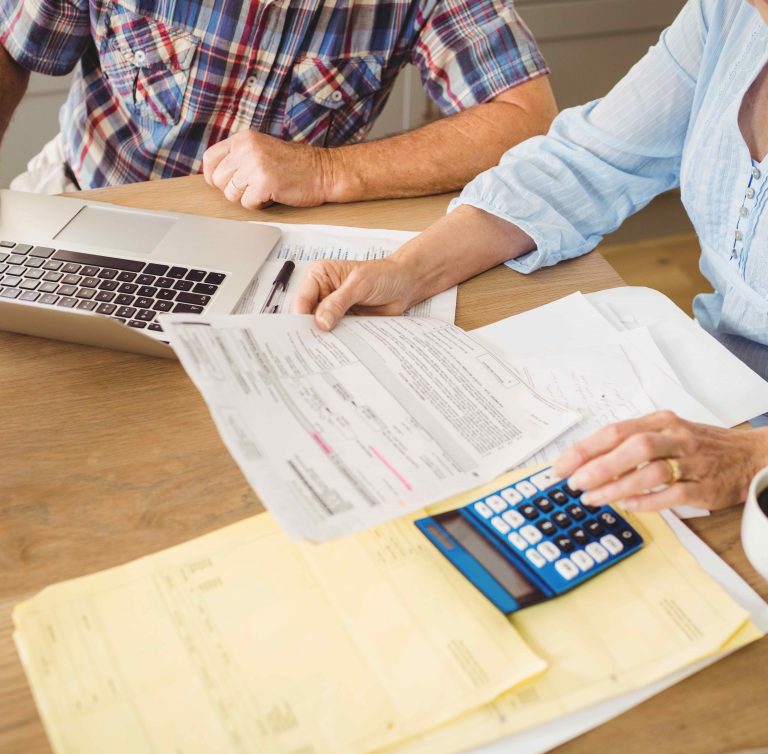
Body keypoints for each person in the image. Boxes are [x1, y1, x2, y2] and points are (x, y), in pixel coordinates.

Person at [294, 0, 768, 513]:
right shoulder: (726, 14)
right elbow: (587, 162)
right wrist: (406, 270)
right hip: (716, 382)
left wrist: (750, 458)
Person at [0, 1, 557, 206]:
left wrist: (326, 170)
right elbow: (10, 46)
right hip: (87, 200)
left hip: (282, 245)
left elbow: (526, 118)